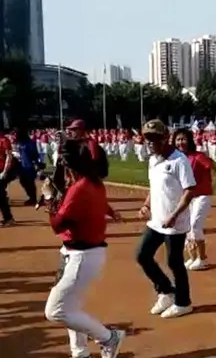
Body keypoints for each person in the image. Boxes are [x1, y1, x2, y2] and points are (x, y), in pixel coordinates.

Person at [42, 138, 125, 358]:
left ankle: (109, 337)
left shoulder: (80, 188)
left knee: (55, 311)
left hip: (82, 256)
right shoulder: (93, 183)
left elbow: (57, 225)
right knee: (70, 307)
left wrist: (50, 199)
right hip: (79, 253)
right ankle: (79, 352)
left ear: (70, 166)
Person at [136, 119, 196, 319]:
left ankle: (183, 302)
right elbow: (154, 188)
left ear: (165, 138)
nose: (150, 142)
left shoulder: (179, 161)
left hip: (174, 223)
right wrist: (146, 205)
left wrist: (174, 215)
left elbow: (189, 192)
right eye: (147, 138)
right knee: (142, 255)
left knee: (174, 262)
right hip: (156, 220)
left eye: (154, 138)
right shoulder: (154, 160)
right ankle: (166, 291)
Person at [172, 128, 216, 271]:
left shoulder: (198, 156)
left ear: (190, 141)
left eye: (183, 139)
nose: (180, 142)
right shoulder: (177, 158)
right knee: (187, 227)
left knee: (195, 225)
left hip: (202, 195)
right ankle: (193, 257)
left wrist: (209, 181)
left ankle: (203, 259)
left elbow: (213, 168)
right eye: (178, 139)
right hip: (187, 197)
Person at [14, 127, 41, 205]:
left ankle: (33, 199)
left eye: (17, 133)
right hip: (21, 166)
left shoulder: (30, 143)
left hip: (29, 166)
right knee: (23, 181)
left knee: (30, 182)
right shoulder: (19, 143)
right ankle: (31, 197)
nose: (16, 135)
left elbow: (35, 154)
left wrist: (35, 163)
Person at [0, 128, 17, 226]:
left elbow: (9, 156)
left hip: (1, 171)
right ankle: (8, 218)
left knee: (1, 196)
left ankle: (9, 218)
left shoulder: (4, 140)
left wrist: (4, 171)